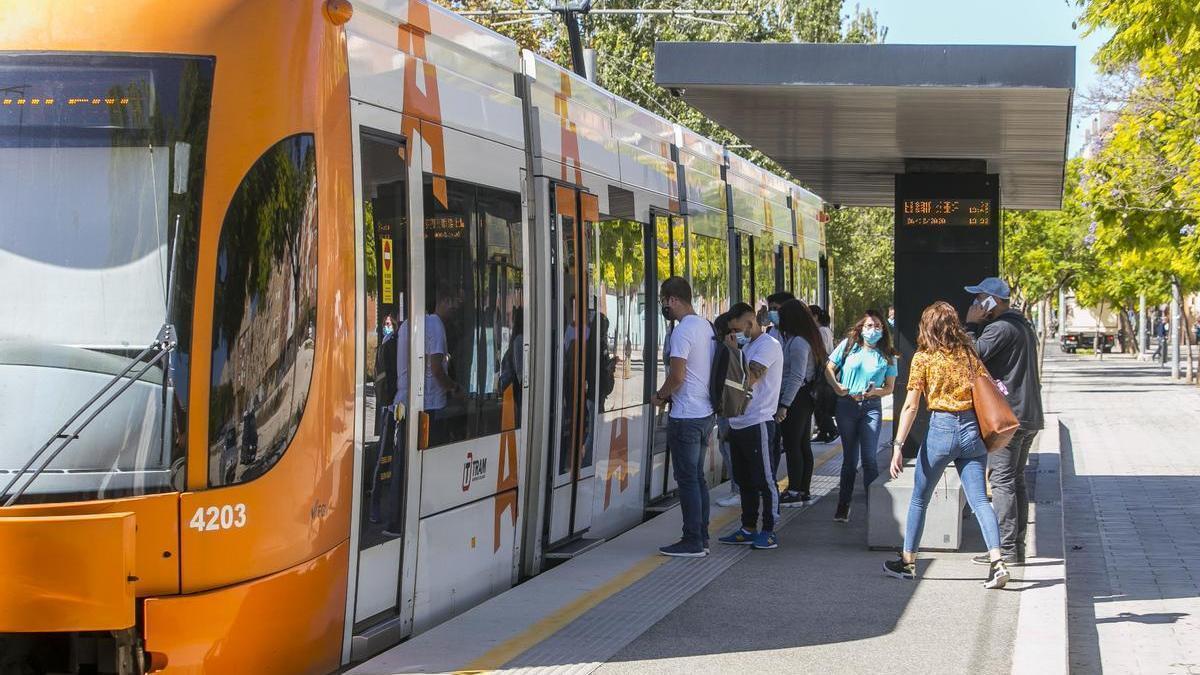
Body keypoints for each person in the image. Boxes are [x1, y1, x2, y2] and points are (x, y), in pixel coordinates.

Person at [884, 301, 1010, 590]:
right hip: (971, 431)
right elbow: (986, 385)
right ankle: (997, 561)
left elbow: (911, 406)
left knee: (919, 498)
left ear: (926, 326)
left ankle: (908, 562)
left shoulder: (924, 358)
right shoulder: (967, 354)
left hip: (941, 430)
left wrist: (898, 445)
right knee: (979, 500)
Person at [965, 278, 1045, 565]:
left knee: (1001, 481)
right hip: (1028, 415)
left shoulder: (1000, 327)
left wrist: (971, 324)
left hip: (1009, 417)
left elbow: (972, 357)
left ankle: (1006, 549)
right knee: (1016, 480)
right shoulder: (1022, 324)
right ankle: (1016, 547)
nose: (974, 304)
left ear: (992, 301)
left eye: (979, 299)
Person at [652, 276, 716, 557]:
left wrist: (660, 395)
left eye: (664, 301)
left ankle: (692, 540)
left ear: (673, 300)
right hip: (704, 413)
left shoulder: (681, 332)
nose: (664, 306)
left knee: (688, 480)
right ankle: (701, 536)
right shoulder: (706, 326)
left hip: (686, 415)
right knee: (697, 479)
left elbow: (677, 376)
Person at [717, 302, 785, 550]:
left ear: (750, 322)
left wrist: (734, 353)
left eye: (737, 329)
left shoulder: (768, 345)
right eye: (731, 332)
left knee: (765, 479)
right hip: (738, 422)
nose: (735, 335)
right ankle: (747, 527)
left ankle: (769, 529)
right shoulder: (751, 345)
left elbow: (752, 377)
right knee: (744, 479)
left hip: (759, 421)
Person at [824, 309, 897, 523]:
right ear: (861, 328)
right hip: (846, 405)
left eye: (877, 326)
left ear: (883, 329)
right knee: (849, 459)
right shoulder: (849, 346)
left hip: (871, 406)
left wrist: (876, 392)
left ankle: (872, 507)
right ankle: (843, 504)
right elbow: (829, 368)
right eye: (868, 326)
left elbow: (890, 387)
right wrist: (837, 386)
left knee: (869, 459)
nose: (872, 330)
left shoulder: (888, 355)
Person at [776, 299, 827, 506]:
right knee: (803, 444)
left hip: (796, 398)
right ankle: (803, 489)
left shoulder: (797, 342)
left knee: (793, 445)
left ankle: (795, 490)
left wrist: (784, 405)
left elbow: (796, 376)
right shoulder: (809, 339)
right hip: (805, 397)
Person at [712, 311, 742, 508]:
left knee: (730, 449)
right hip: (726, 410)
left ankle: (738, 490)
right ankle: (736, 488)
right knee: (725, 447)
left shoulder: (731, 351)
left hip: (729, 410)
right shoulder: (730, 350)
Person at [809, 304, 839, 443]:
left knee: (820, 403)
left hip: (822, 369)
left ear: (815, 316)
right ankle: (824, 432)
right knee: (820, 403)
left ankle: (831, 430)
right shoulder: (825, 329)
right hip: (824, 369)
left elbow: (822, 351)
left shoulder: (821, 331)